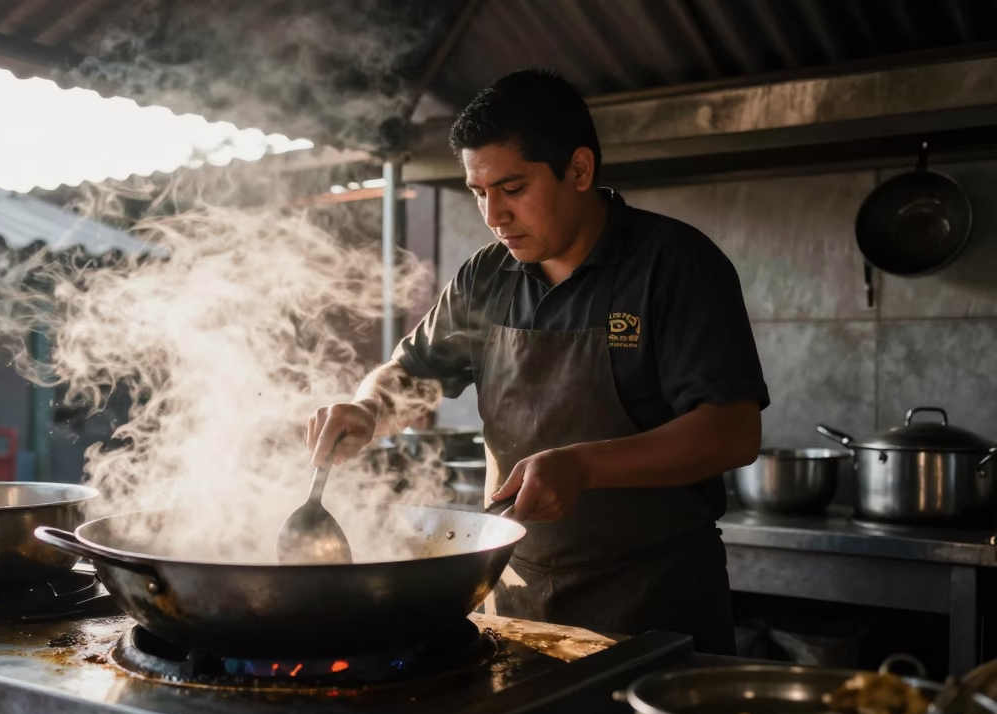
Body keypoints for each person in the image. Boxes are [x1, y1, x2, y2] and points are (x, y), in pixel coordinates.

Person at [305, 69, 769, 654]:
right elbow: (413, 374)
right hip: (515, 597)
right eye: (479, 192)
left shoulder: (675, 265)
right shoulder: (485, 275)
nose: (494, 215)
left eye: (513, 188)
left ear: (579, 170)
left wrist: (584, 466)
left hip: (653, 606)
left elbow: (731, 432)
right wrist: (368, 407)